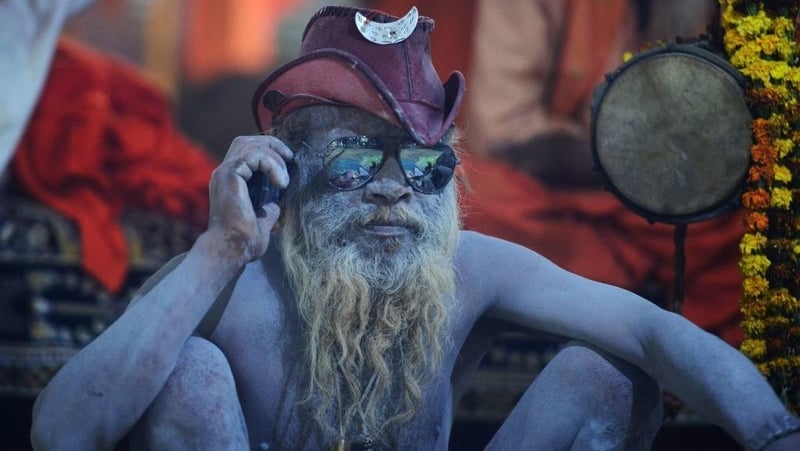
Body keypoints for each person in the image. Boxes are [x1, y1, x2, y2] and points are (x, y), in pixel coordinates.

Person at [30, 5, 800, 451]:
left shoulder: (468, 268)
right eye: (361, 159)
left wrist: (773, 434)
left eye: (424, 164)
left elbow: (652, 333)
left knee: (603, 376)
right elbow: (61, 432)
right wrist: (220, 246)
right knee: (190, 373)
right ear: (286, 166)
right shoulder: (233, 274)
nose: (396, 190)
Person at [464, 0, 747, 347]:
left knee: (746, 220)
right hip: (561, 194)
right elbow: (502, 133)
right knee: (468, 198)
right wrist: (628, 161)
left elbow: (719, 134)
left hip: (681, 200)